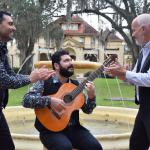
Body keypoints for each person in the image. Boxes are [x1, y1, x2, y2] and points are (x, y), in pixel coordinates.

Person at [23, 50, 103, 150]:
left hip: (74, 129)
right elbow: (26, 100)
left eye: (71, 60)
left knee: (95, 147)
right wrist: (50, 100)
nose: (71, 63)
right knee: (64, 147)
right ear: (56, 66)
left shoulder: (76, 85)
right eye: (66, 61)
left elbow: (88, 110)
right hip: (49, 130)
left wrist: (92, 97)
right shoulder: (44, 82)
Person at [0, 11, 55, 150]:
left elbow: (11, 75)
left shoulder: (2, 49)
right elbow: (4, 81)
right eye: (10, 24)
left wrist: (33, 77)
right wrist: (32, 78)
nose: (14, 28)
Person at [105, 14, 150, 150]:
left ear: (144, 29)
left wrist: (124, 73)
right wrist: (119, 73)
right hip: (144, 109)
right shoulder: (144, 51)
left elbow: (148, 79)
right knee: (136, 144)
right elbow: (134, 77)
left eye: (134, 30)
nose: (132, 34)